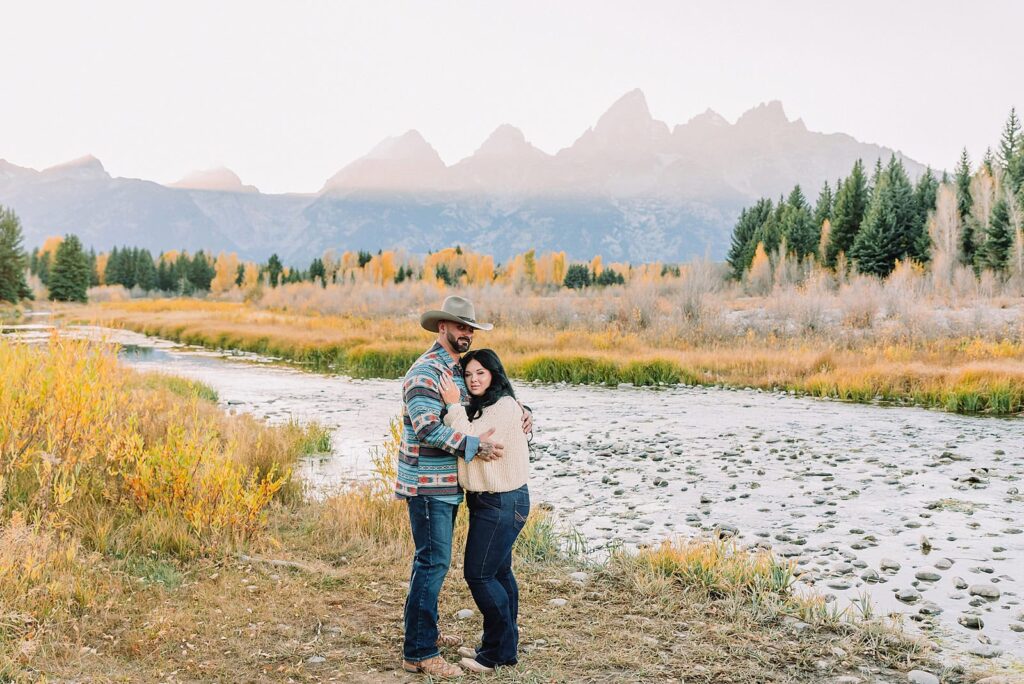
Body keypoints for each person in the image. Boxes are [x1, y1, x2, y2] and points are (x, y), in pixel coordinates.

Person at [396, 295, 532, 678]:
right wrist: (475, 445)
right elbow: (426, 427)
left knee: (438, 563)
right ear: (442, 327)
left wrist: (524, 412)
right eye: (460, 326)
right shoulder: (425, 372)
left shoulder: (459, 369)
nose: (466, 333)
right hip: (428, 484)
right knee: (433, 562)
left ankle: (430, 636)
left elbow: (490, 401)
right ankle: (421, 651)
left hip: (452, 485)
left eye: (470, 327)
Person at [439, 349, 531, 674]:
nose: (474, 379)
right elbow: (473, 434)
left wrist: (451, 405)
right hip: (495, 501)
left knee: (478, 575)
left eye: (481, 373)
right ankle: (501, 648)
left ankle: (496, 654)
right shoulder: (488, 406)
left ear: (494, 373)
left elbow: (472, 440)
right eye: (468, 375)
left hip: (501, 502)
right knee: (499, 573)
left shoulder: (505, 407)